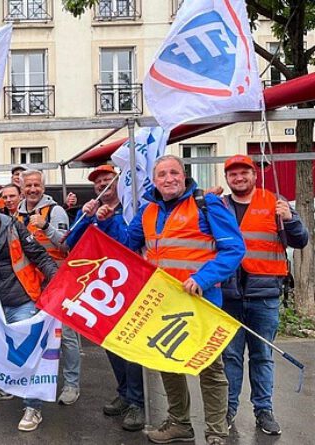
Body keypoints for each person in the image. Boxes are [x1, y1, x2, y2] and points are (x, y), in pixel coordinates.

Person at [97, 154, 245, 445]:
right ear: (154, 180)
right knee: (167, 362)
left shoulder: (207, 204)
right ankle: (179, 423)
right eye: (162, 174)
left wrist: (201, 279)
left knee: (210, 368)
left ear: (184, 175)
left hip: (201, 302)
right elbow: (127, 245)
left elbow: (234, 249)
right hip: (163, 303)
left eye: (174, 173)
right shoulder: (148, 211)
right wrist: (109, 221)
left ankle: (216, 430)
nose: (168, 179)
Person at [218, 155, 309, 436]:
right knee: (230, 357)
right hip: (229, 295)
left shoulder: (275, 203)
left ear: (254, 175)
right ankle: (228, 411)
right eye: (233, 174)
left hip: (264, 294)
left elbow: (301, 239)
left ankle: (264, 411)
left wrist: (290, 219)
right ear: (227, 178)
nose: (239, 177)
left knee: (262, 356)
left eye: (244, 172)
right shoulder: (219, 205)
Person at [0, 190, 58, 432]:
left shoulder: (15, 228)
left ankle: (32, 406)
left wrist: (57, 280)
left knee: (27, 355)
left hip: (22, 299)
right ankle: (5, 387)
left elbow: (39, 255)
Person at [64, 164, 145, 431]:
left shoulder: (131, 210)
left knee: (129, 346)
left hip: (127, 288)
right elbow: (71, 244)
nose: (102, 185)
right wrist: (84, 218)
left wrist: (109, 220)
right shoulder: (89, 211)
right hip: (100, 290)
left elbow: (127, 245)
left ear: (117, 182)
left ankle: (137, 402)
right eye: (98, 181)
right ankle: (123, 393)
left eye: (107, 180)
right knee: (110, 344)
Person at [16, 169, 81, 406]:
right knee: (34, 336)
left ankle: (72, 384)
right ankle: (36, 382)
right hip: (30, 286)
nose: (33, 189)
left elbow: (65, 246)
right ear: (22, 188)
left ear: (43, 187)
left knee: (66, 337)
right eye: (28, 185)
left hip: (58, 282)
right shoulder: (17, 212)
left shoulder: (56, 211)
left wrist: (46, 226)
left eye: (37, 185)